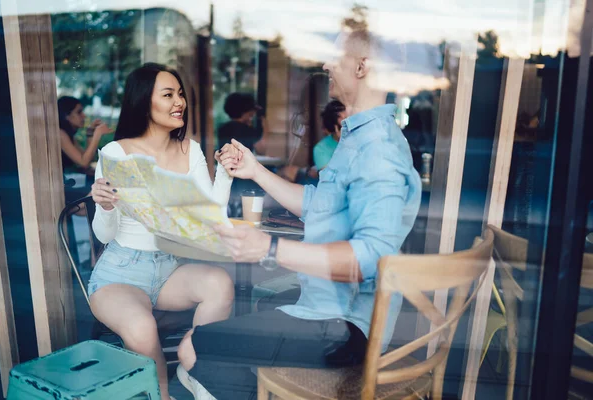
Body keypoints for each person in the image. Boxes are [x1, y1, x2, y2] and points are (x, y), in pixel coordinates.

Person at [175, 28, 422, 400]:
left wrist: (269, 248)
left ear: (361, 66)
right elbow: (317, 204)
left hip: (344, 328)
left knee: (191, 349)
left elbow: (370, 257)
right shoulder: (358, 136)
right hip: (325, 312)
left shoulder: (379, 151)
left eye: (335, 56)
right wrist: (256, 171)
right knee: (200, 348)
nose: (326, 64)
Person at [90, 63, 239, 400]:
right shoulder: (117, 152)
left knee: (220, 282)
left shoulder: (190, 148)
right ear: (145, 102)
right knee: (143, 326)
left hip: (170, 268)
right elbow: (103, 236)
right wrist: (105, 205)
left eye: (181, 94)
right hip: (120, 274)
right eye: (168, 94)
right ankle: (161, 395)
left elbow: (212, 214)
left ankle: (194, 369)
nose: (179, 102)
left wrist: (225, 173)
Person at [58, 96, 113, 173]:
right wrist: (97, 135)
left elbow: (87, 158)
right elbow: (84, 162)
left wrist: (90, 133)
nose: (84, 116)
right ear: (67, 115)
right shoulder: (60, 134)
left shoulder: (68, 135)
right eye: (79, 112)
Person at [313, 99, 347, 171]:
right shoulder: (321, 148)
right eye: (342, 126)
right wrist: (343, 144)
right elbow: (330, 178)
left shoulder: (361, 142)